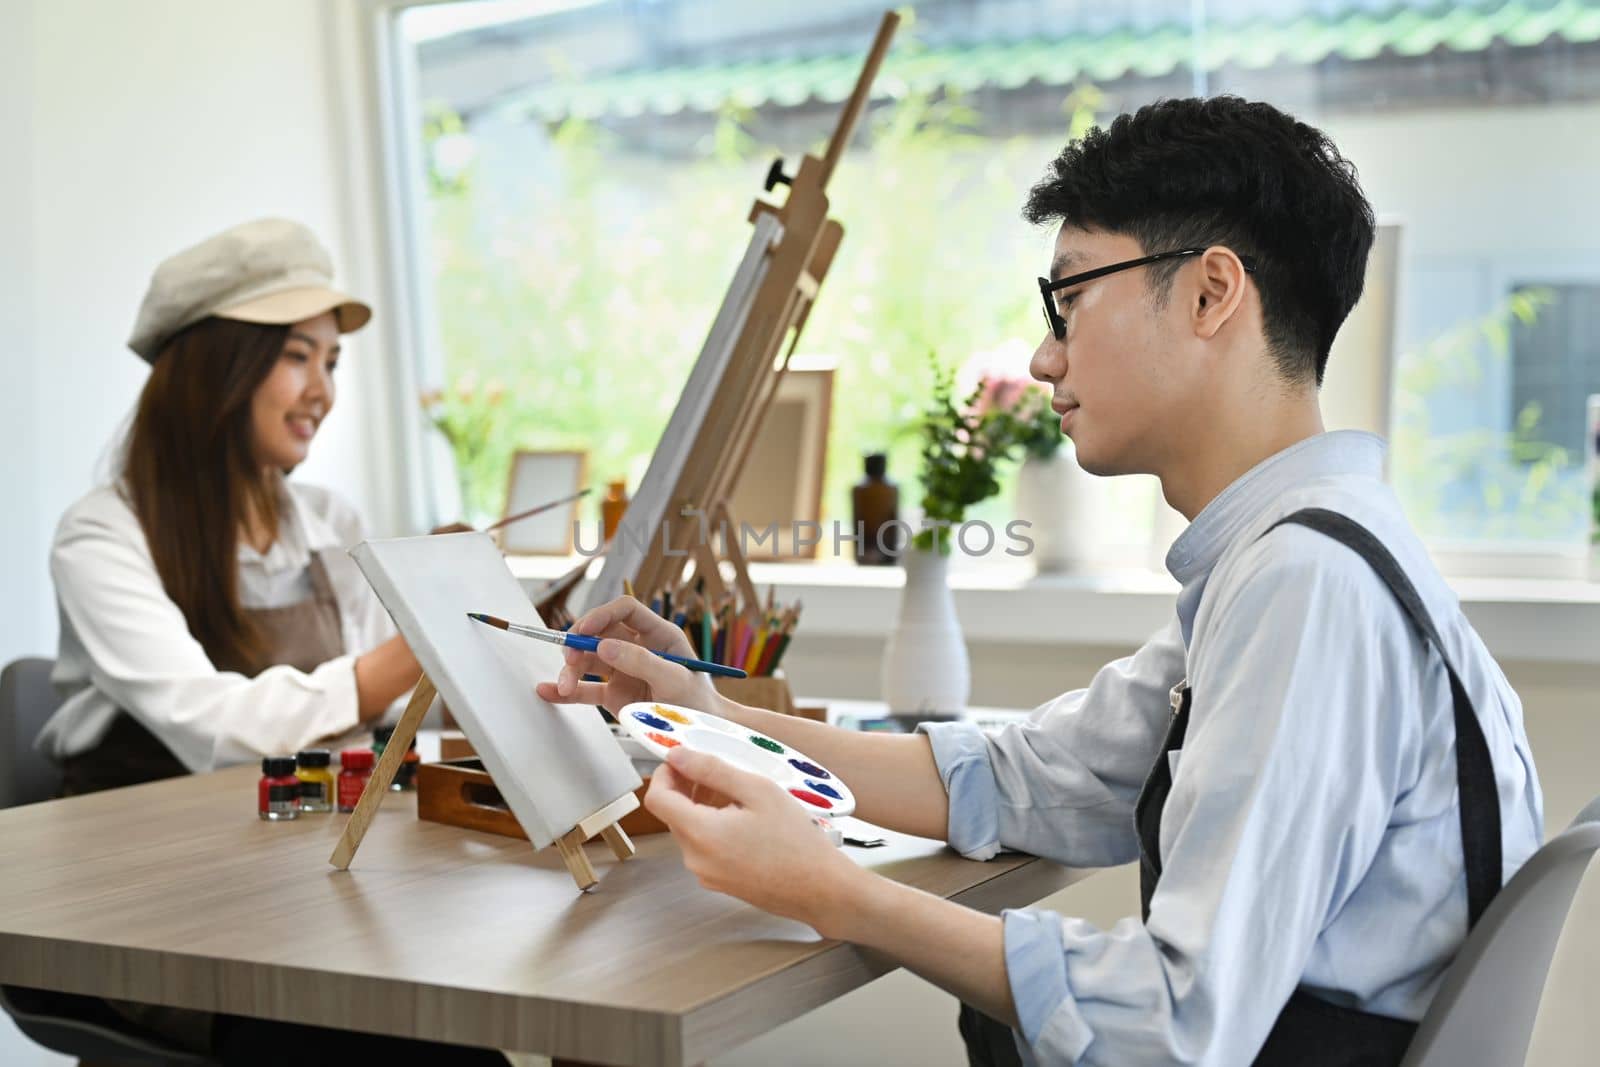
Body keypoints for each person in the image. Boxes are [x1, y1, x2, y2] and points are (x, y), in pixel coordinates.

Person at [537, 97, 1544, 1066]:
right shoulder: (1292, 553)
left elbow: (1176, 1026)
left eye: (1069, 298)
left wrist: (833, 890)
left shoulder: (1307, 586)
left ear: (1210, 292)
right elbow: (1036, 776)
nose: (1042, 353)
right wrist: (709, 714)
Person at [38, 217, 426, 792]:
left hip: (293, 838)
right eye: (298, 356)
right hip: (131, 850)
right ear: (214, 371)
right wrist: (415, 650)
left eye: (331, 362)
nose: (323, 392)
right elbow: (214, 728)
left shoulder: (332, 522)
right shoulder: (101, 535)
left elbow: (378, 724)